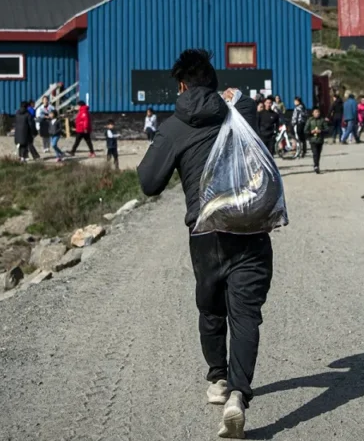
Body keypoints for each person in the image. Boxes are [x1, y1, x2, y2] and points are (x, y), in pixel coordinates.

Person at [137, 49, 275, 439]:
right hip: (250, 228)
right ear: (216, 85)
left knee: (211, 307)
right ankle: (238, 396)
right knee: (246, 315)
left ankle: (217, 380)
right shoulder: (240, 112)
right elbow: (256, 128)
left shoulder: (174, 127)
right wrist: (239, 97)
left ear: (181, 85)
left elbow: (149, 184)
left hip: (205, 235)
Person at [304, 106, 329, 174]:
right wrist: (311, 132)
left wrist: (321, 131)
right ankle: (316, 166)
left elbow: (327, 129)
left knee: (318, 154)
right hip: (312, 140)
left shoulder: (322, 120)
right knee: (315, 153)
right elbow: (305, 130)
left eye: (318, 112)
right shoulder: (310, 120)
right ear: (312, 113)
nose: (317, 113)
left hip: (320, 140)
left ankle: (317, 165)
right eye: (315, 112)